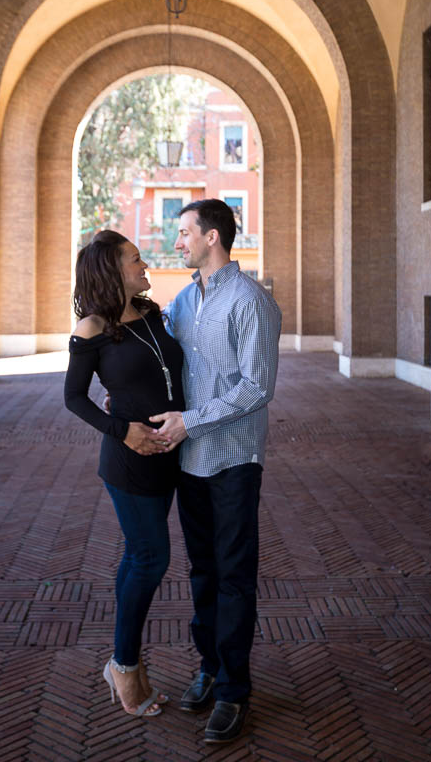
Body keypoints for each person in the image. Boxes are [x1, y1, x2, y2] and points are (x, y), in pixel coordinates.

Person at [150, 199, 282, 744]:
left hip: (232, 461)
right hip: (190, 461)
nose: (177, 242)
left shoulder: (252, 301)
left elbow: (257, 388)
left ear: (210, 237)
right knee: (201, 571)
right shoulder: (181, 301)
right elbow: (162, 362)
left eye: (183, 233)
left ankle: (233, 690)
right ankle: (208, 667)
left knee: (233, 576)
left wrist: (192, 422)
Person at [63, 230, 184, 718]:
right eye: (135, 259)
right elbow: (73, 398)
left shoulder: (153, 313)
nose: (144, 263)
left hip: (171, 455)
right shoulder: (92, 327)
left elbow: (168, 374)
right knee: (151, 559)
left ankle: (125, 663)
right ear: (112, 270)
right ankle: (125, 666)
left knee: (140, 558)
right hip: (129, 462)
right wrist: (121, 430)